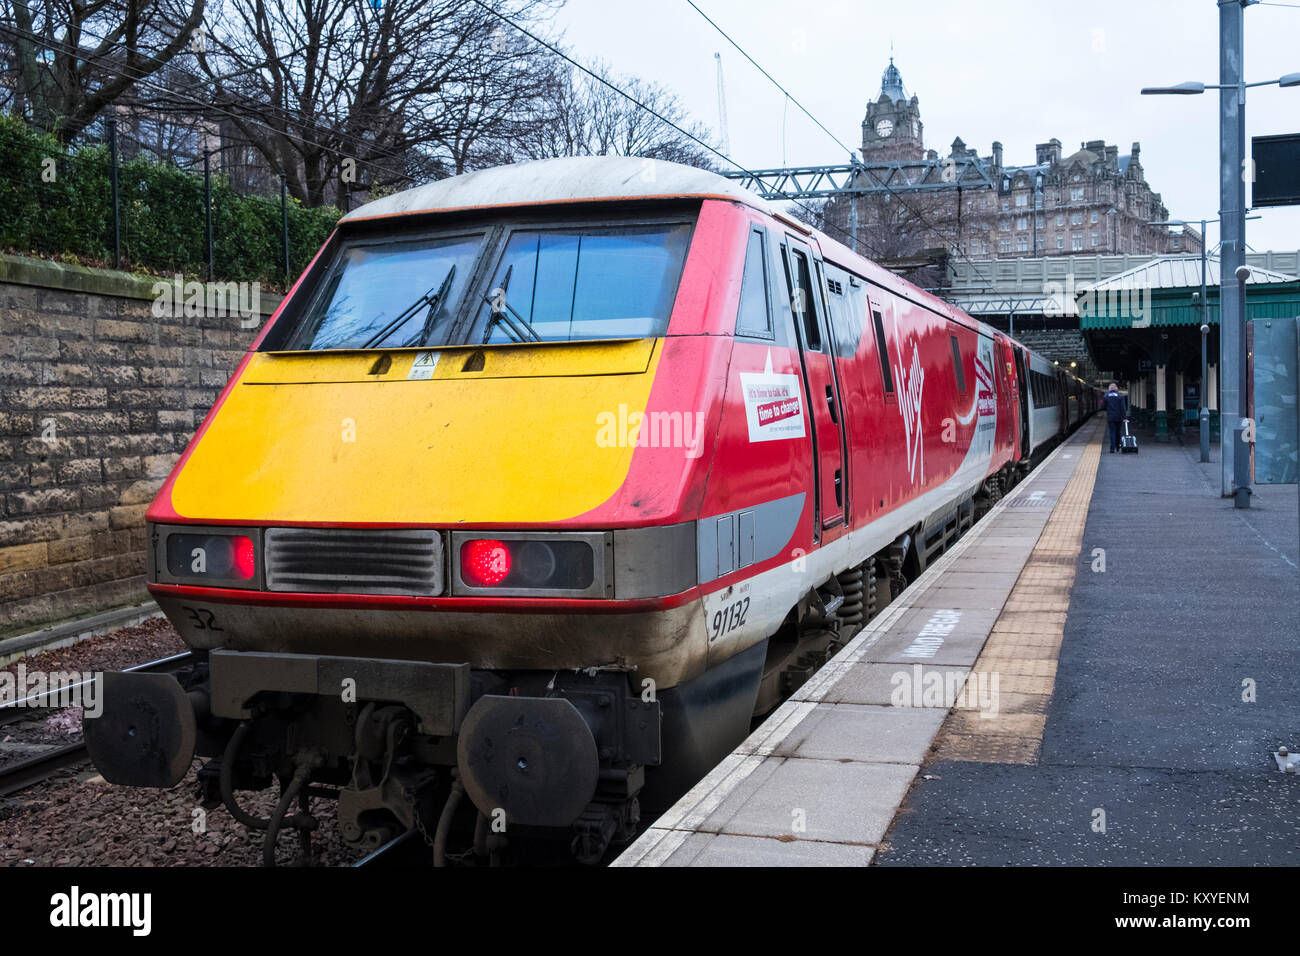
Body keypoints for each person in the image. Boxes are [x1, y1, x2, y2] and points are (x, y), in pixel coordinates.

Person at [1103, 382, 1128, 453]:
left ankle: (1112, 448)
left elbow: (1103, 407)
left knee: (1112, 432)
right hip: (1119, 417)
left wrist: (1108, 409)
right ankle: (1118, 446)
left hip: (1110, 417)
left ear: (1109, 389)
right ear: (1116, 388)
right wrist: (1124, 417)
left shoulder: (1106, 396)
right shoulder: (1120, 396)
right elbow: (1123, 408)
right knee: (1118, 432)